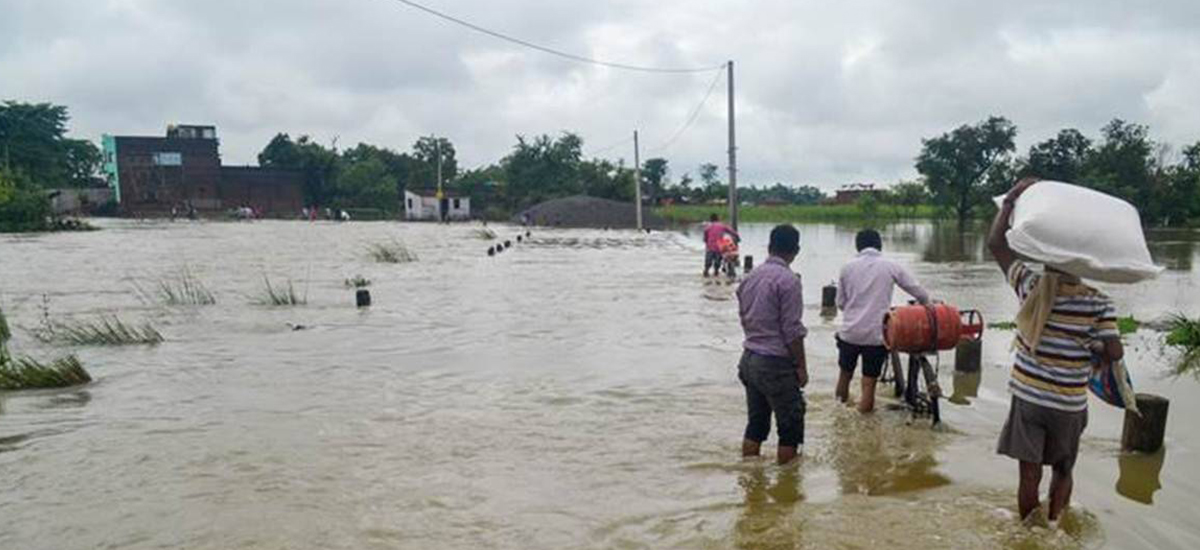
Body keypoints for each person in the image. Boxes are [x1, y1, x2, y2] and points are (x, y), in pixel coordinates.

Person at [988, 177, 1123, 525]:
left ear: (1046, 257)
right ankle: (1055, 528)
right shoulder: (1098, 302)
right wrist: (1090, 344)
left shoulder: (1031, 286)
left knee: (1028, 475)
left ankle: (1029, 534)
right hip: (1068, 403)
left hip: (1029, 398)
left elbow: (997, 245)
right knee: (1064, 469)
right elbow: (1114, 352)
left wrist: (1010, 203)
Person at [835, 229, 930, 413]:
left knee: (845, 375)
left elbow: (840, 303)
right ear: (880, 245)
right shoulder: (890, 265)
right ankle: (865, 426)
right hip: (876, 335)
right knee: (869, 383)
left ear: (858, 246)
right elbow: (916, 290)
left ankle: (839, 415)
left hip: (850, 333)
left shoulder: (847, 268)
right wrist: (927, 304)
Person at [735, 224, 808, 464]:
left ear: (769, 247)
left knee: (756, 424)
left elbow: (745, 316)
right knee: (790, 427)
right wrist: (801, 367)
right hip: (774, 363)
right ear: (796, 250)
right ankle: (787, 490)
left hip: (749, 359)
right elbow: (792, 331)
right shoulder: (789, 281)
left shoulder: (749, 277)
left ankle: (750, 482)